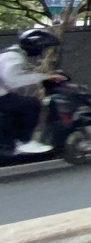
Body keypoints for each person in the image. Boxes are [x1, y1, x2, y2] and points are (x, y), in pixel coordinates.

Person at [1, 27, 63, 156]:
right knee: (32, 104)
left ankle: (8, 142)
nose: (42, 52)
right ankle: (24, 142)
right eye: (43, 48)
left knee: (17, 104)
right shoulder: (14, 57)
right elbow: (14, 79)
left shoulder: (12, 54)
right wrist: (47, 77)